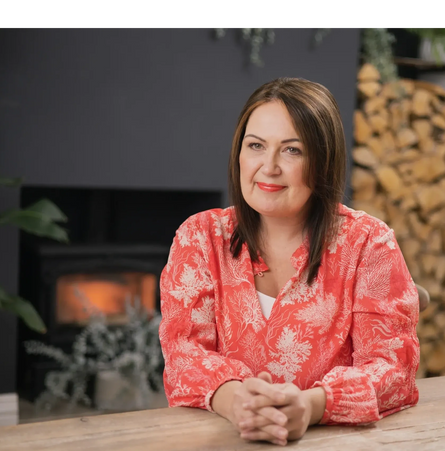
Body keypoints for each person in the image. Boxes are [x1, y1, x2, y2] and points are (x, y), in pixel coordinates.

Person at [158, 77, 420, 446]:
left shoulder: (368, 243)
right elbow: (184, 353)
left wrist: (311, 407)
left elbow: (394, 371)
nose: (269, 166)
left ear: (323, 160)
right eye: (256, 146)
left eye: (292, 150)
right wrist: (239, 404)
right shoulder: (200, 236)